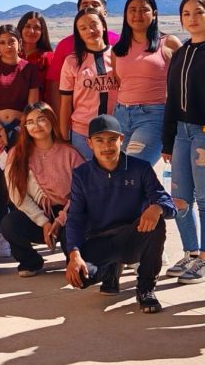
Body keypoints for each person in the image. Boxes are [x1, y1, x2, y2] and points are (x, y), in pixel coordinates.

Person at [65, 114, 176, 313]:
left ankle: (146, 289)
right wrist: (74, 253)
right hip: (99, 240)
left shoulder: (140, 168)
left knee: (157, 223)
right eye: (99, 140)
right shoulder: (81, 175)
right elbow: (75, 217)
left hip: (131, 238)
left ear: (121, 140)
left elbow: (167, 202)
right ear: (89, 143)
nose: (106, 146)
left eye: (112, 139)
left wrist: (157, 208)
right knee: (79, 278)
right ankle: (110, 270)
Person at [161, 0, 205, 285]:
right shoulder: (181, 52)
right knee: (178, 199)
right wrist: (167, 141)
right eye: (186, 13)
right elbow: (172, 99)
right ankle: (190, 252)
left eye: (198, 12)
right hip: (181, 134)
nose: (192, 18)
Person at [0, 102, 84, 277]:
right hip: (37, 213)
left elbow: (81, 194)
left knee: (75, 257)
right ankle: (31, 261)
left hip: (68, 212)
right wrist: (43, 222)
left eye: (41, 119)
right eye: (30, 122)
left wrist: (59, 221)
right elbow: (17, 196)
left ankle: (74, 259)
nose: (35, 126)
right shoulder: (17, 154)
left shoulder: (70, 153)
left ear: (52, 121)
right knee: (9, 223)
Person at [0, 25, 41, 230]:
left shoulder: (29, 69)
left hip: (20, 130)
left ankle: (20, 227)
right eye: (3, 42)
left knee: (17, 179)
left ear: (19, 43)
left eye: (12, 41)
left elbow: (32, 106)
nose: (8, 46)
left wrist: (15, 130)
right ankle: (1, 230)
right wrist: (0, 130)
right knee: (0, 180)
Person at [111, 0, 180, 166]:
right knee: (118, 171)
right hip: (120, 116)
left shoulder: (169, 43)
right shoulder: (118, 49)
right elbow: (120, 81)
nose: (137, 15)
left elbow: (183, 81)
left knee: (134, 169)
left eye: (144, 10)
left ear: (154, 14)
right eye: (132, 10)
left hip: (153, 116)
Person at [59, 7, 119, 160]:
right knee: (87, 180)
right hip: (83, 134)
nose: (90, 31)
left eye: (94, 24)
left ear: (103, 25)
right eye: (83, 28)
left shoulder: (118, 56)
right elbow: (65, 103)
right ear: (78, 32)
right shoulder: (72, 62)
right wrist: (64, 138)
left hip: (116, 132)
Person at [45, 0, 121, 106]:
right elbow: (55, 84)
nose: (90, 7)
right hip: (80, 119)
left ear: (105, 13)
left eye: (95, 5)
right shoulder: (64, 45)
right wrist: (61, 119)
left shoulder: (119, 42)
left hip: (118, 117)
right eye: (85, 5)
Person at [18, 12, 55, 106]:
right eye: (27, 26)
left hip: (39, 114)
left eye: (37, 28)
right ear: (21, 28)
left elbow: (53, 93)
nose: (31, 31)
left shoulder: (48, 58)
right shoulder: (11, 56)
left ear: (42, 32)